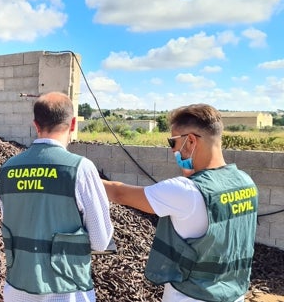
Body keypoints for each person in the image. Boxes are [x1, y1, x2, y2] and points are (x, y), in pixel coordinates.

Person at [103, 103, 258, 302]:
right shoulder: (245, 182)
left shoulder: (185, 191)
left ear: (191, 141)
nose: (173, 150)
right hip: (234, 295)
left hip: (190, 296)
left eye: (173, 142)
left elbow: (118, 193)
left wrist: (78, 174)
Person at [0, 91, 114, 302]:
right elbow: (100, 241)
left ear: (36, 125)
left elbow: (12, 223)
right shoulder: (80, 168)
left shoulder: (7, 170)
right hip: (67, 292)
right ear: (73, 124)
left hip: (17, 289)